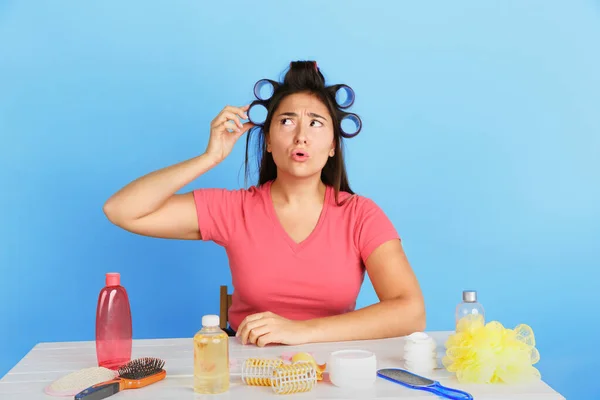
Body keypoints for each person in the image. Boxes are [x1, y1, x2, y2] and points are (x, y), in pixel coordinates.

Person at [103, 60, 426, 347]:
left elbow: (411, 311)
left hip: (329, 369)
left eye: (315, 123)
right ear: (268, 141)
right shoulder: (235, 209)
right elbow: (121, 210)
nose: (301, 135)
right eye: (287, 121)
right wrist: (209, 158)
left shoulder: (360, 215)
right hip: (246, 369)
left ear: (332, 146)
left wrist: (302, 331)